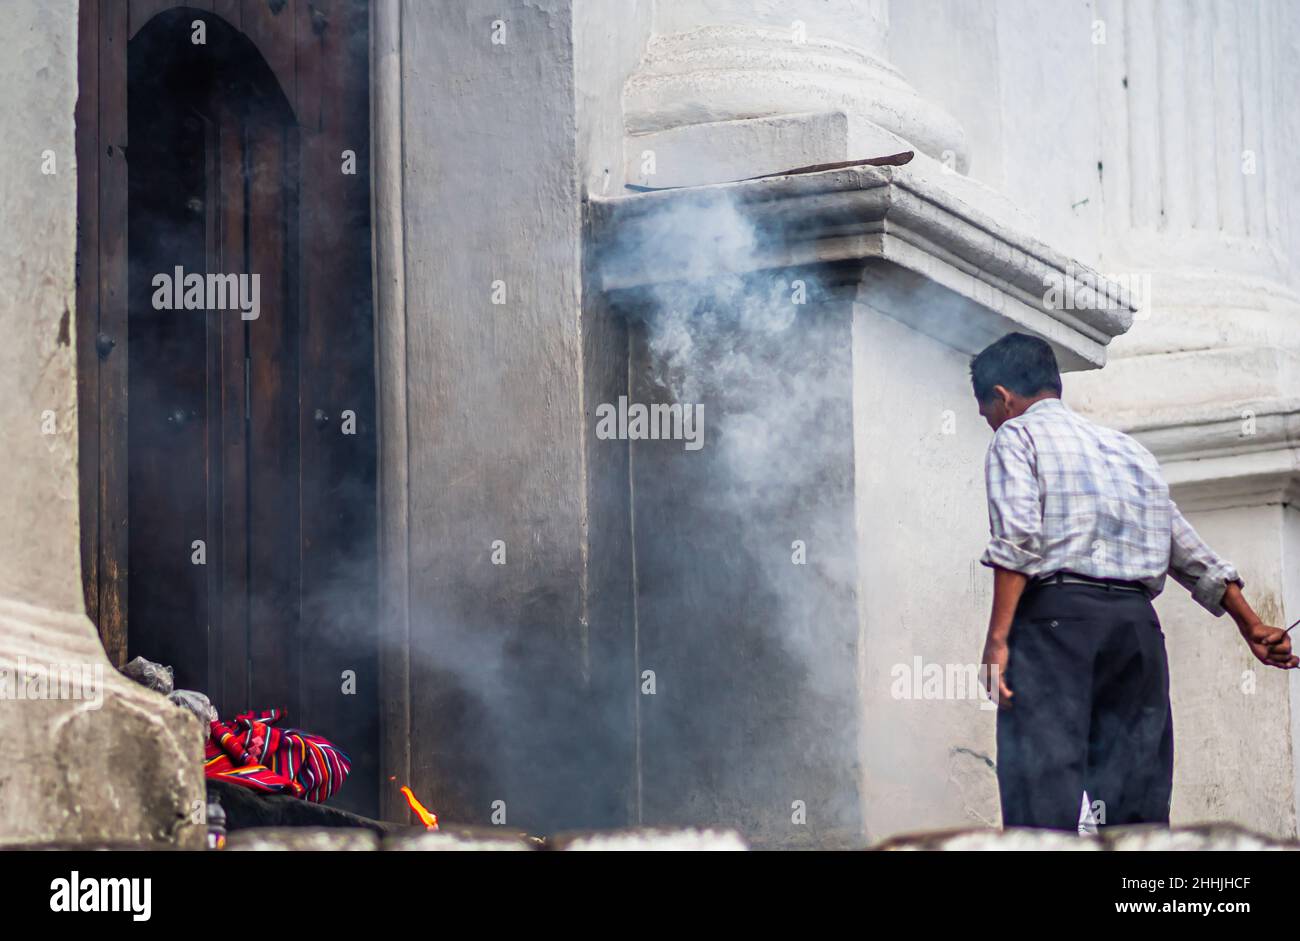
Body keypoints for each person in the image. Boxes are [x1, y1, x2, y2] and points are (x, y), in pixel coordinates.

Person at [971, 332, 1297, 830]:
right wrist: (1250, 624)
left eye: (986, 412)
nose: (990, 423)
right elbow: (1185, 547)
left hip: (1056, 627)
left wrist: (997, 641)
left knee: (1042, 801)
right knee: (1136, 804)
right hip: (1137, 632)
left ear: (1002, 396)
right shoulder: (1129, 452)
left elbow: (1017, 539)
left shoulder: (1017, 437)